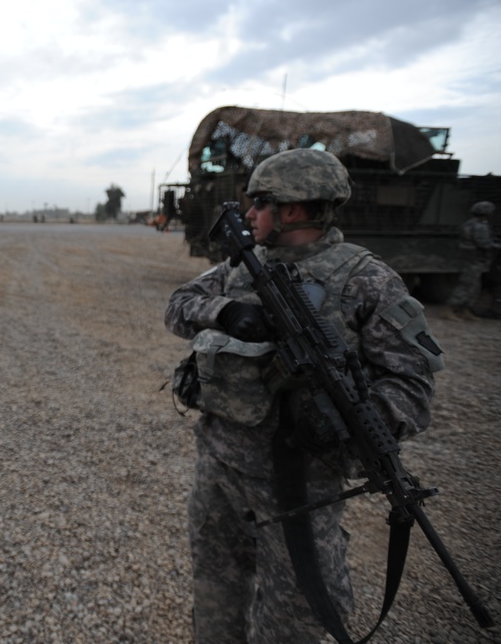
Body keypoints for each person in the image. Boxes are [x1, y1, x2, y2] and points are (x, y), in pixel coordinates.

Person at [165, 148, 444, 643]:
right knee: (215, 592)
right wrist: (226, 311)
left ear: (292, 209)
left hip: (299, 486)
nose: (248, 214)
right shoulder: (243, 266)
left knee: (293, 619)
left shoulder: (366, 278)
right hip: (220, 469)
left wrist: (352, 417)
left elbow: (413, 382)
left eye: (259, 203)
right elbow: (179, 306)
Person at [443, 200, 500, 321]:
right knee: (467, 285)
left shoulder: (470, 223)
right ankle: (450, 308)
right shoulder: (480, 225)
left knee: (474, 286)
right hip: (474, 261)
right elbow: (484, 243)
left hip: (472, 260)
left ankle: (465, 310)